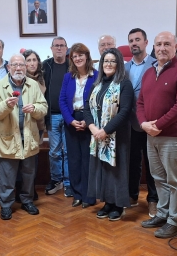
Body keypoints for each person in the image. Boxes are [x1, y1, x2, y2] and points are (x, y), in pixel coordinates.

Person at [137, 31, 177, 238]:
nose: (162, 48)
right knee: (159, 178)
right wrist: (144, 123)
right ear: (153, 47)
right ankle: (162, 214)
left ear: (175, 47)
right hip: (151, 136)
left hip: (172, 136)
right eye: (158, 44)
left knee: (176, 181)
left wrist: (158, 125)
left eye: (166, 44)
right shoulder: (148, 73)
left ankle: (175, 221)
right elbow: (141, 102)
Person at [0, 54, 47, 220]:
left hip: (29, 138)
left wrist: (34, 108)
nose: (19, 68)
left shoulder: (33, 85)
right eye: (15, 65)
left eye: (21, 65)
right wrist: (6, 105)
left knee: (29, 174)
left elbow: (44, 108)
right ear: (9, 67)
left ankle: (27, 201)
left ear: (26, 68)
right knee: (7, 176)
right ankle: (6, 205)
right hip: (9, 139)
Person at [84, 48, 134, 221]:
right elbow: (87, 108)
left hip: (117, 136)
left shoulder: (124, 84)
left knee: (116, 170)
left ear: (119, 64)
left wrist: (106, 131)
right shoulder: (96, 85)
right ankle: (107, 202)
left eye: (113, 61)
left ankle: (118, 205)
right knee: (103, 169)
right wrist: (92, 128)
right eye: (106, 61)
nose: (109, 64)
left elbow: (125, 111)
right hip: (97, 135)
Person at [125, 28, 159, 218]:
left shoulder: (156, 65)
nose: (134, 43)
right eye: (131, 41)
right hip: (130, 123)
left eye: (138, 39)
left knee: (151, 162)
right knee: (133, 161)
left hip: (150, 123)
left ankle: (153, 200)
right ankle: (132, 195)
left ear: (146, 43)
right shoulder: (125, 67)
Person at [59, 43, 98, 208]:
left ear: (87, 56)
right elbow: (62, 100)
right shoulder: (68, 77)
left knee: (88, 159)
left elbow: (99, 102)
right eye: (74, 56)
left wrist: (88, 122)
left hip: (90, 120)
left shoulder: (96, 76)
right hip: (72, 120)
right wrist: (70, 120)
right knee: (74, 159)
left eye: (80, 55)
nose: (78, 58)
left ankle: (89, 196)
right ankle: (77, 194)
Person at [43, 36, 72, 196]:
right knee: (54, 151)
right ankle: (56, 180)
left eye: (62, 45)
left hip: (68, 115)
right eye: (56, 46)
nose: (59, 48)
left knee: (68, 151)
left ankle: (68, 182)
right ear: (51, 48)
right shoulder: (45, 66)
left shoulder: (72, 65)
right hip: (52, 115)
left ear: (66, 48)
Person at [21, 49, 47, 201]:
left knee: (34, 158)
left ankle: (31, 188)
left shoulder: (42, 79)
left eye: (34, 60)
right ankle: (22, 189)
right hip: (23, 123)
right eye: (28, 60)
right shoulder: (19, 79)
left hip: (39, 123)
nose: (31, 63)